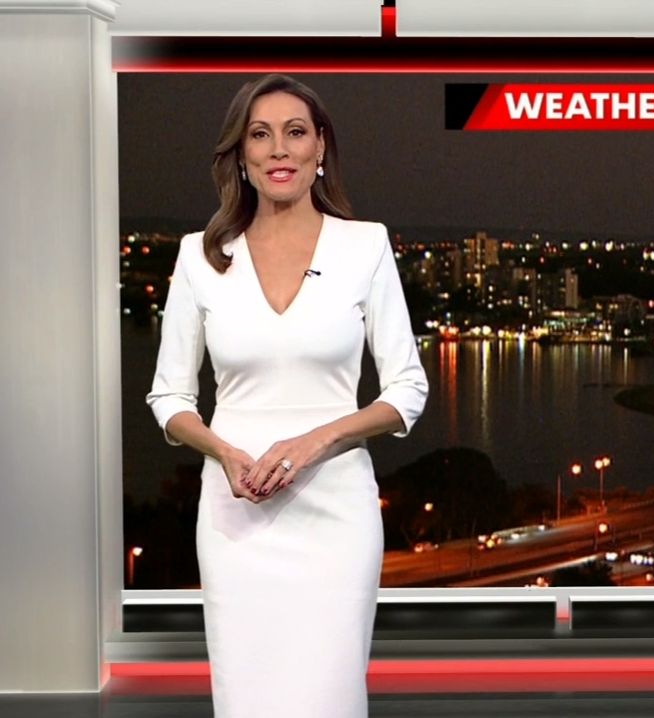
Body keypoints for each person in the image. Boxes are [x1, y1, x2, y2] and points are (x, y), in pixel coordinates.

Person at [146, 73, 428, 718]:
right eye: (261, 135)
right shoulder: (199, 256)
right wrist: (224, 453)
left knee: (330, 693)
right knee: (248, 695)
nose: (279, 149)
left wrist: (318, 440)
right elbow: (169, 398)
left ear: (319, 147)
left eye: (295, 132)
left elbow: (408, 389)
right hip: (236, 514)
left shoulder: (365, 245)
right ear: (241, 155)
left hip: (336, 514)